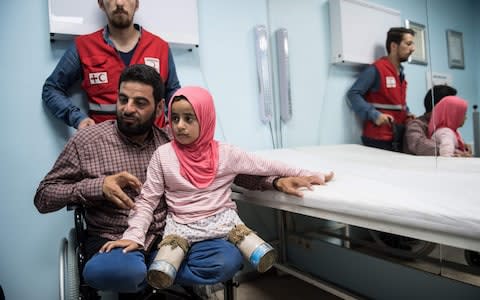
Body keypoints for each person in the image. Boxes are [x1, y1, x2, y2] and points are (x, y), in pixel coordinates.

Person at [34, 64, 326, 299]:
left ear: (160, 110)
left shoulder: (173, 142)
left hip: (177, 236)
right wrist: (97, 186)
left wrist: (276, 182)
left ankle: (160, 271)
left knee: (226, 260)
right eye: (123, 99)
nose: (127, 108)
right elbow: (44, 197)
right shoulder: (88, 141)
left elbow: (229, 171)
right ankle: (149, 275)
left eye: (139, 102)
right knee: (118, 273)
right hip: (117, 237)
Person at [100, 86, 334, 289]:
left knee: (251, 245)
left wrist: (310, 174)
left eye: (189, 119)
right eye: (175, 118)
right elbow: (147, 200)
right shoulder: (163, 155)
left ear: (206, 117)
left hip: (224, 221)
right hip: (180, 226)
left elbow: (267, 165)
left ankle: (255, 249)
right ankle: (165, 269)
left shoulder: (226, 154)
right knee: (164, 267)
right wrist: (134, 235)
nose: (180, 126)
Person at [42, 0, 180, 129]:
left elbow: (174, 94)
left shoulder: (160, 47)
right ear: (101, 3)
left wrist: (176, 124)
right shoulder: (83, 47)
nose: (119, 3)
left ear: (137, 4)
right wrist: (78, 119)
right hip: (105, 145)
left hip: (155, 144)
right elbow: (52, 89)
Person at [347, 27, 416, 152]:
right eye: (408, 44)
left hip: (396, 136)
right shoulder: (376, 69)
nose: (413, 48)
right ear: (394, 46)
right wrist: (375, 115)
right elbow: (353, 94)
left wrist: (407, 113)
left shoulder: (400, 73)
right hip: (378, 138)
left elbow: (396, 102)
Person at [403, 85, 458, 155]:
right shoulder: (416, 125)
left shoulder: (446, 126)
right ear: (441, 106)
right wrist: (450, 151)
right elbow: (418, 144)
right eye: (452, 106)